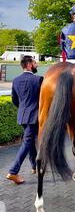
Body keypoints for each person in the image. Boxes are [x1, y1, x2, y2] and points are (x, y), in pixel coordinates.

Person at [6, 56, 43, 184]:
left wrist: (23, 110)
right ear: (28, 64)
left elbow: (14, 100)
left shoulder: (15, 80)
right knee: (28, 142)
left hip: (22, 116)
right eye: (34, 62)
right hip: (34, 117)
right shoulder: (38, 80)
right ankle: (13, 172)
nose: (36, 64)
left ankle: (34, 166)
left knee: (30, 140)